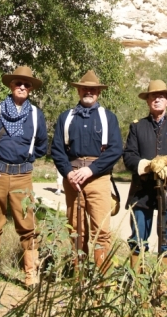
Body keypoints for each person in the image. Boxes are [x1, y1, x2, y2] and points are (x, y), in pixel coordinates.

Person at [0, 66, 48, 287]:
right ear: (11, 85)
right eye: (18, 83)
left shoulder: (36, 115)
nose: (22, 87)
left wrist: (25, 158)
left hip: (23, 177)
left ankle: (30, 276)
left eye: (27, 84)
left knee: (28, 228)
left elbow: (42, 147)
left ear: (31, 89)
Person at [123, 79, 167, 296]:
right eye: (153, 96)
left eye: (161, 96)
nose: (157, 99)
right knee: (137, 239)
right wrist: (148, 165)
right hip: (142, 190)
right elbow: (129, 157)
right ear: (148, 100)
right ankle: (137, 286)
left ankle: (162, 288)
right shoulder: (137, 126)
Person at [51, 70, 123, 271]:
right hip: (72, 179)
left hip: (98, 179)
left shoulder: (108, 117)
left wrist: (91, 170)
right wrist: (68, 172)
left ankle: (102, 279)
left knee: (101, 230)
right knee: (75, 228)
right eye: (85, 88)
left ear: (98, 92)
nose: (88, 92)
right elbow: (57, 149)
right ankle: (78, 275)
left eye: (93, 89)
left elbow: (115, 149)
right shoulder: (66, 117)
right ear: (78, 90)